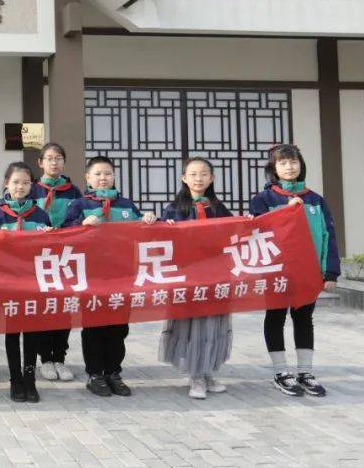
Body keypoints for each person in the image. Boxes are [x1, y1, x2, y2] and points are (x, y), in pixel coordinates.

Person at [249, 144, 340, 397]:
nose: (290, 167)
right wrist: (287, 211)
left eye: (294, 162)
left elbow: (328, 234)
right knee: (276, 318)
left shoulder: (315, 199)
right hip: (276, 272)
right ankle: (281, 372)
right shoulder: (263, 199)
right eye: (283, 163)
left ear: (301, 165)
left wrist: (330, 272)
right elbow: (255, 233)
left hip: (308, 272)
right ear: (273, 169)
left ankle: (305, 372)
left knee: (304, 319)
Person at [64, 156, 157, 398]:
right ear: (88, 178)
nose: (103, 178)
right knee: (94, 327)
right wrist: (81, 223)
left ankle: (113, 372)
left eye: (108, 173)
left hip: (122, 275)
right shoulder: (79, 204)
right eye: (98, 174)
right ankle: (95, 374)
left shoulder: (126, 204)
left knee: (118, 327)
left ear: (114, 176)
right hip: (91, 276)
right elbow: (64, 234)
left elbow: (142, 234)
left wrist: (147, 220)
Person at [0, 162, 52, 403]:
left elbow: (51, 247)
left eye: (26, 183)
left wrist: (52, 236)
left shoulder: (40, 214)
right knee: (12, 331)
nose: (20, 187)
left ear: (32, 186)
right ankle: (15, 378)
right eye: (16, 182)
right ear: (6, 183)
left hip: (33, 280)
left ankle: (30, 377)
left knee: (32, 331)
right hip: (8, 282)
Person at [157, 158, 234, 399]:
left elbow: (234, 231)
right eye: (193, 174)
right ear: (184, 178)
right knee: (193, 326)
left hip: (214, 276)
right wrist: (162, 225)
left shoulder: (218, 207)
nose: (198, 178)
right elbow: (160, 237)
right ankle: (196, 376)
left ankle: (209, 371)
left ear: (212, 178)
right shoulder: (174, 208)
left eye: (204, 174)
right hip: (188, 278)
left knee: (213, 325)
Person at [29, 142, 82, 383]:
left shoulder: (74, 191)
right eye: (49, 158)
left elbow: (80, 222)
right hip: (37, 259)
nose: (54, 162)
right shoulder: (30, 190)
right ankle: (45, 360)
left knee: (64, 309)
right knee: (42, 309)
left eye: (58, 158)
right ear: (40, 162)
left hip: (66, 257)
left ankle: (59, 357)